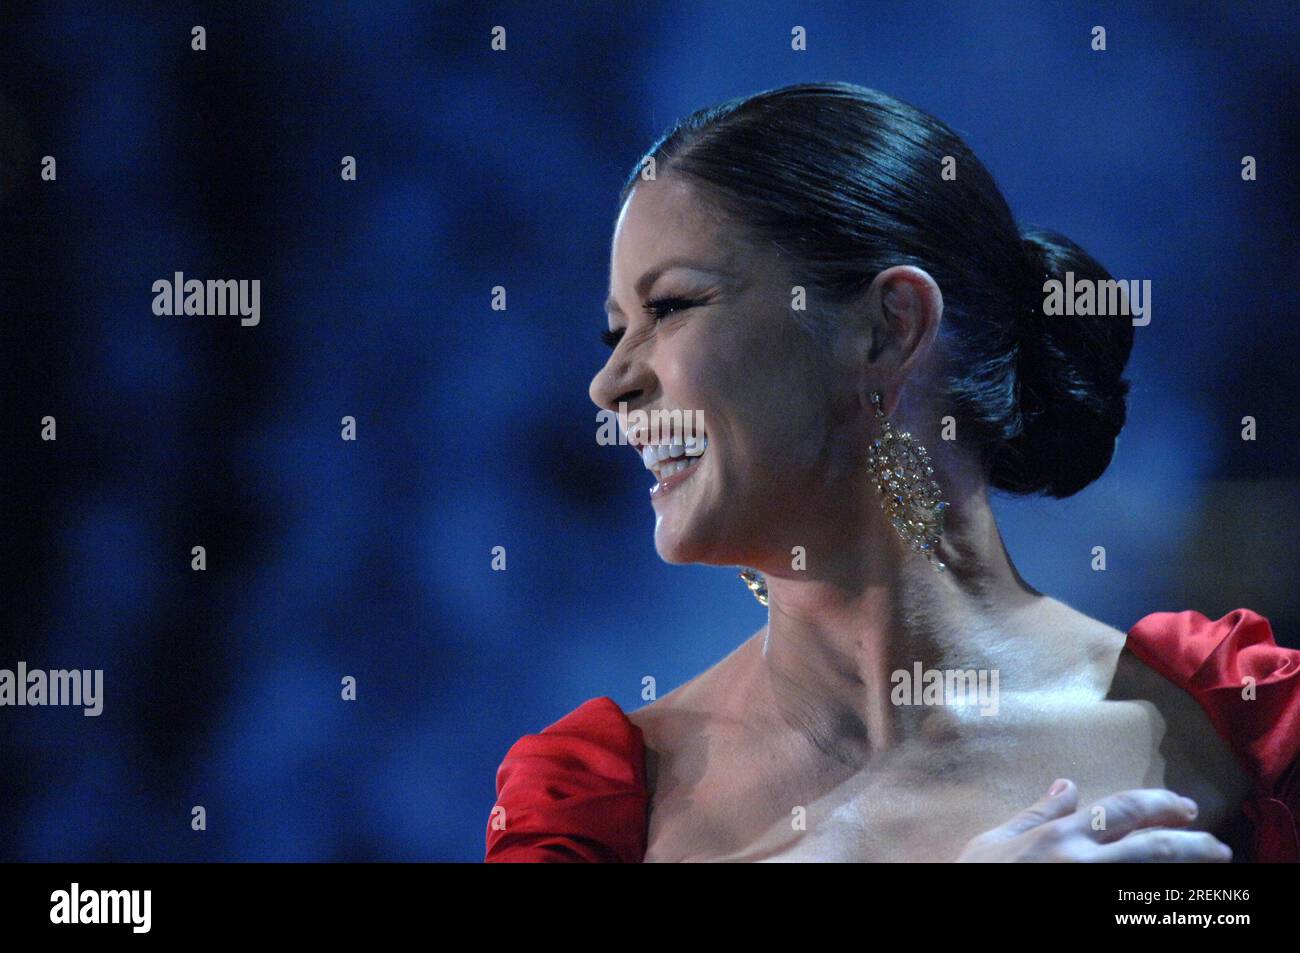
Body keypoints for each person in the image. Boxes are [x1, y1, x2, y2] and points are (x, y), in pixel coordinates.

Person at [485, 83, 1299, 862]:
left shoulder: (1236, 720)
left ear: (887, 327)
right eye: (615, 332)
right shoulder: (598, 804)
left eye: (668, 308)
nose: (610, 383)